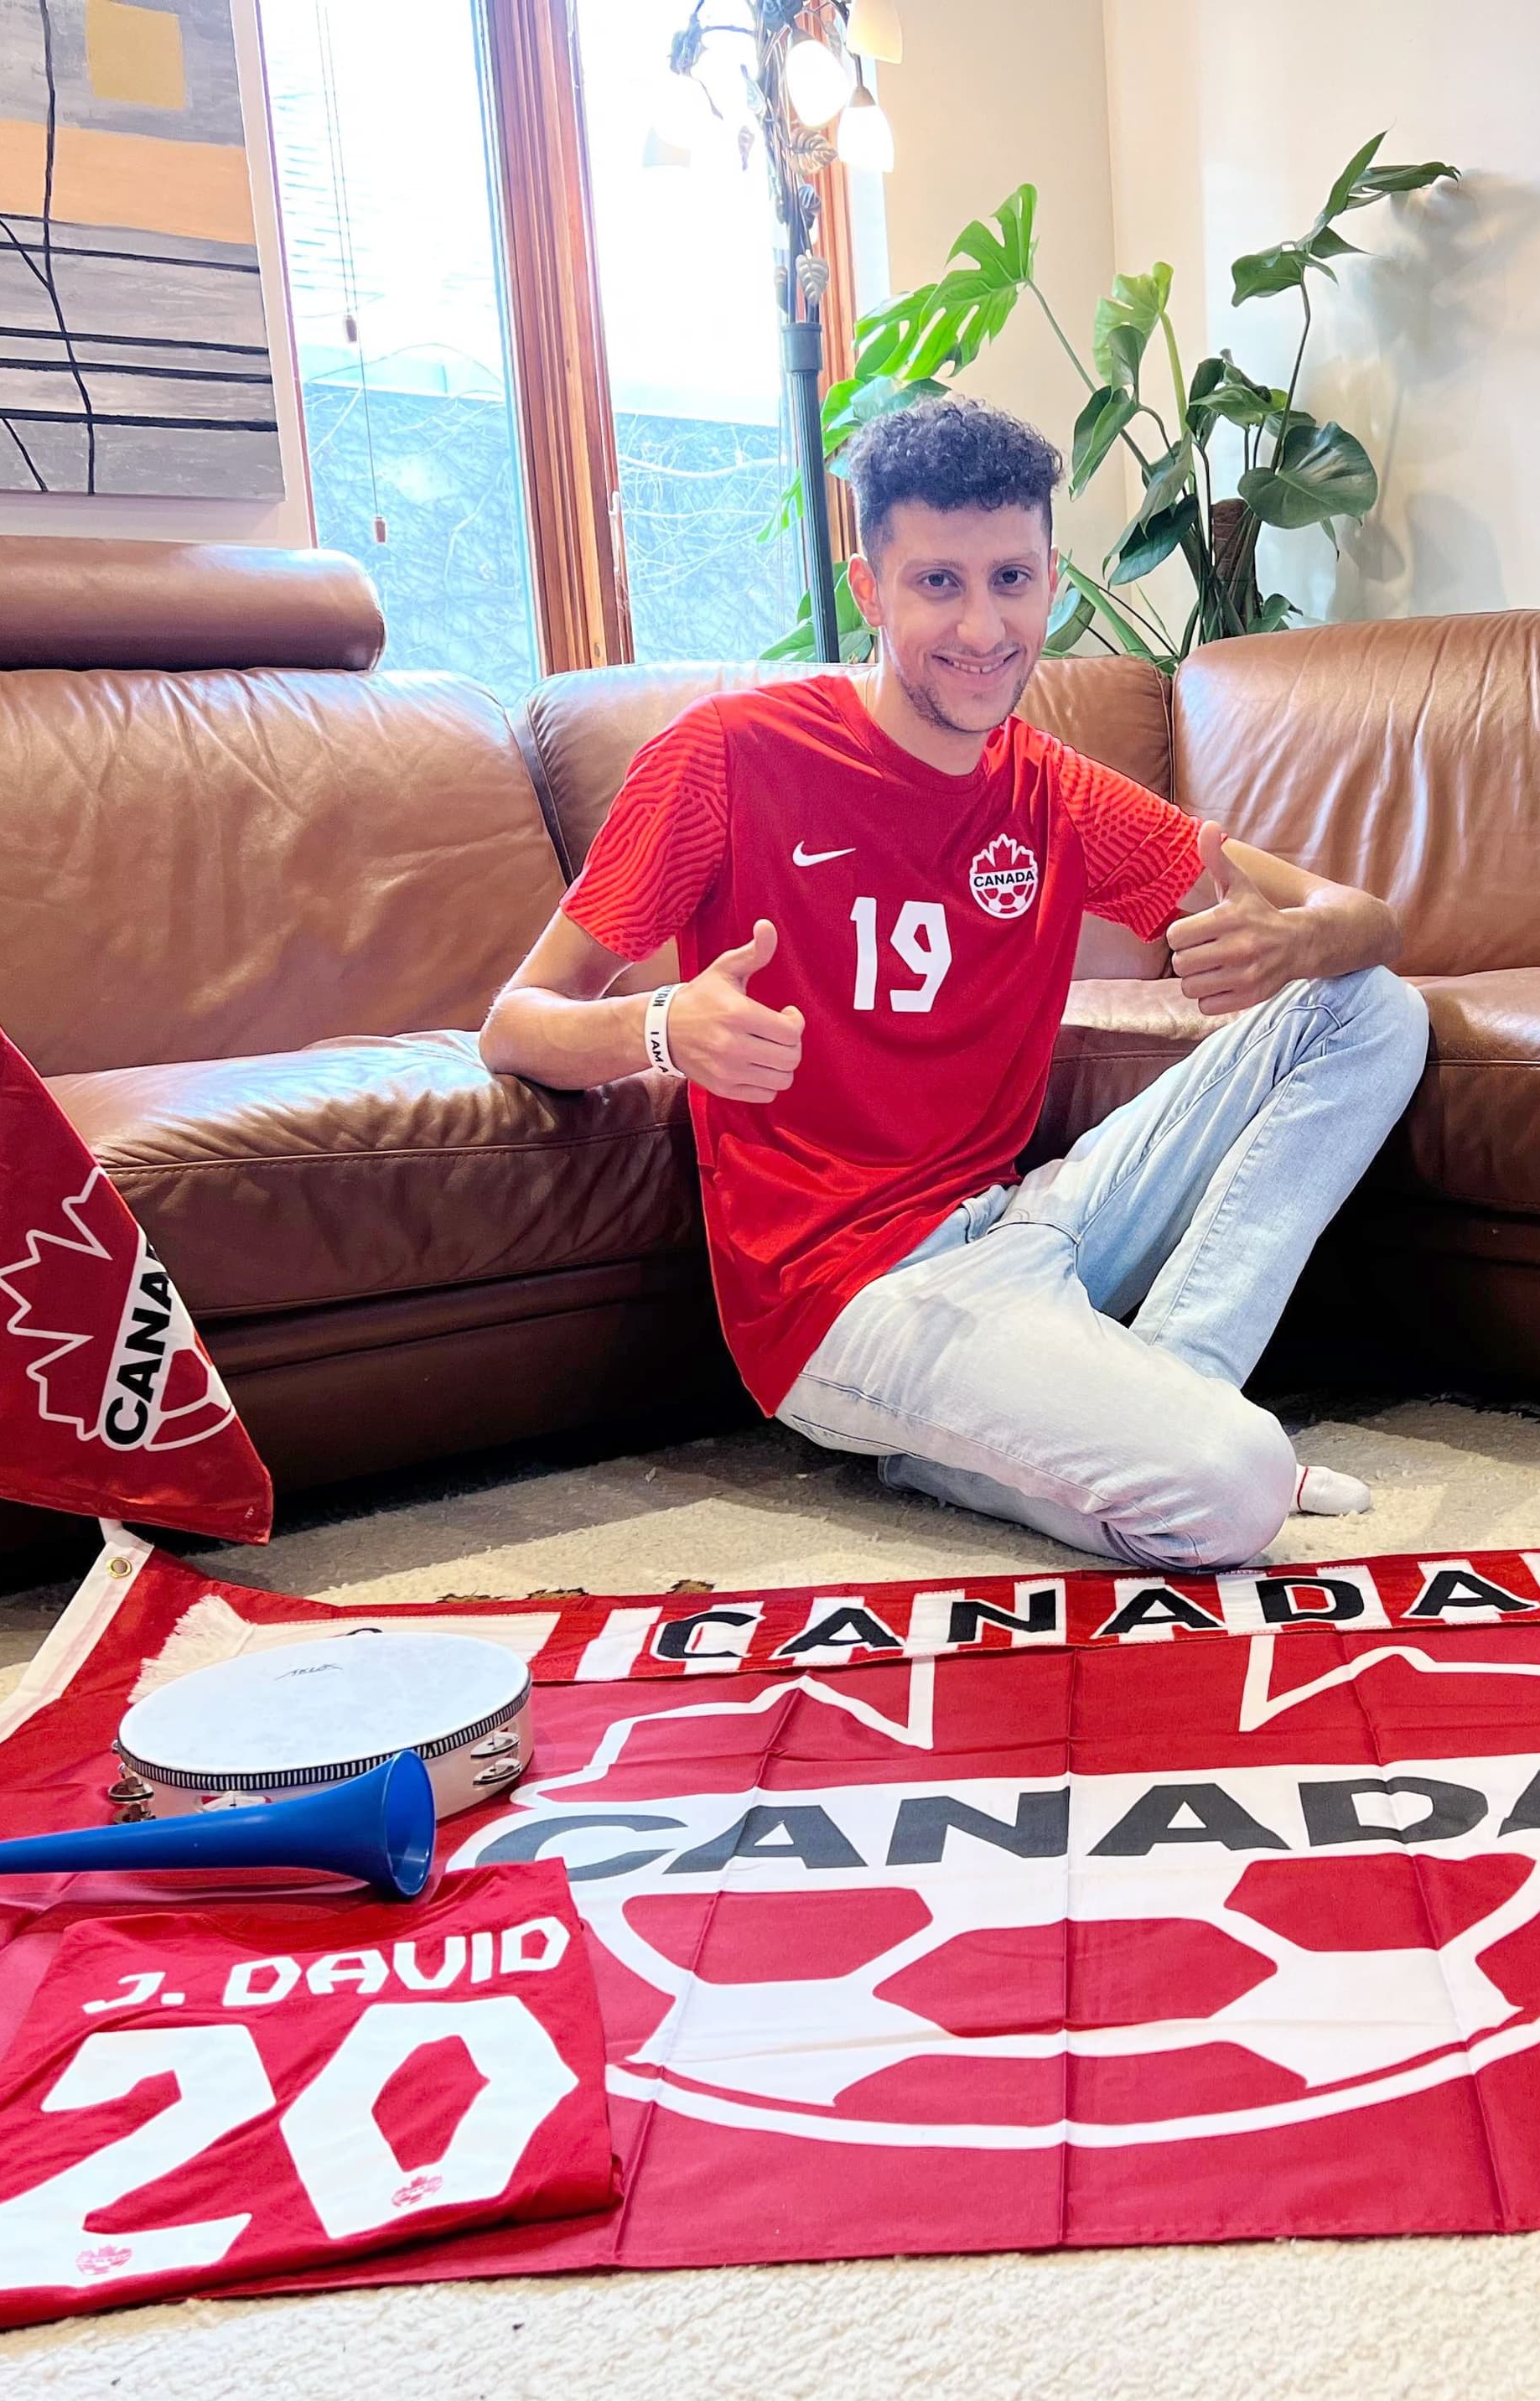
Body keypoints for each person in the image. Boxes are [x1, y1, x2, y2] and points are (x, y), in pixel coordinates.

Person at [481, 393, 1427, 1571]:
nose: (983, 625)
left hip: (1025, 1218)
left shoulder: (1055, 791)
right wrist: (666, 1025)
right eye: (938, 583)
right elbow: (513, 1026)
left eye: (1012, 579)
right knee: (1233, 1495)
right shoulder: (727, 758)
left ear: (1050, 580)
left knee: (1375, 1008)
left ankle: (1164, 1385)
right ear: (870, 589)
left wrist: (1307, 942)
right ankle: (1164, 1440)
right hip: (846, 1293)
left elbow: (1364, 922)